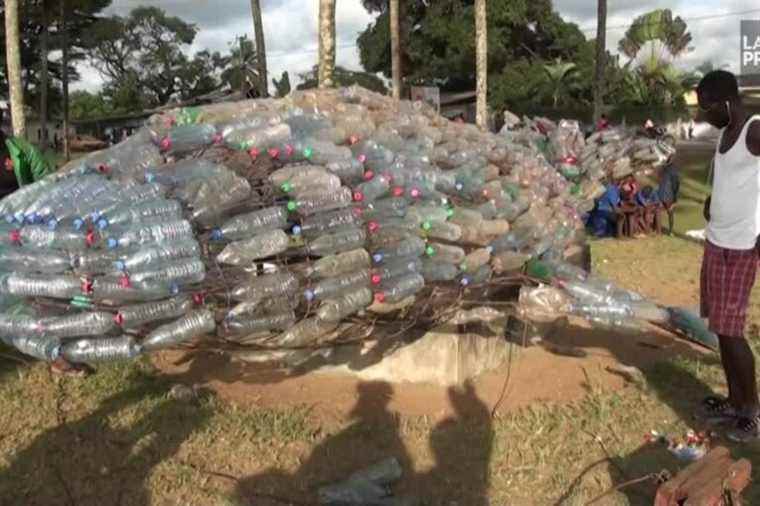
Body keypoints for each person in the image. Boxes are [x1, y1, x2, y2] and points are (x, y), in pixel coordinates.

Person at [696, 70, 760, 442]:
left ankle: (752, 411)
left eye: (707, 108)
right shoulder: (726, 133)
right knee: (720, 327)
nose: (704, 115)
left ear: (725, 103)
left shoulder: (754, 128)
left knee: (733, 331)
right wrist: (713, 201)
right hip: (716, 241)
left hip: (740, 247)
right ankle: (735, 402)